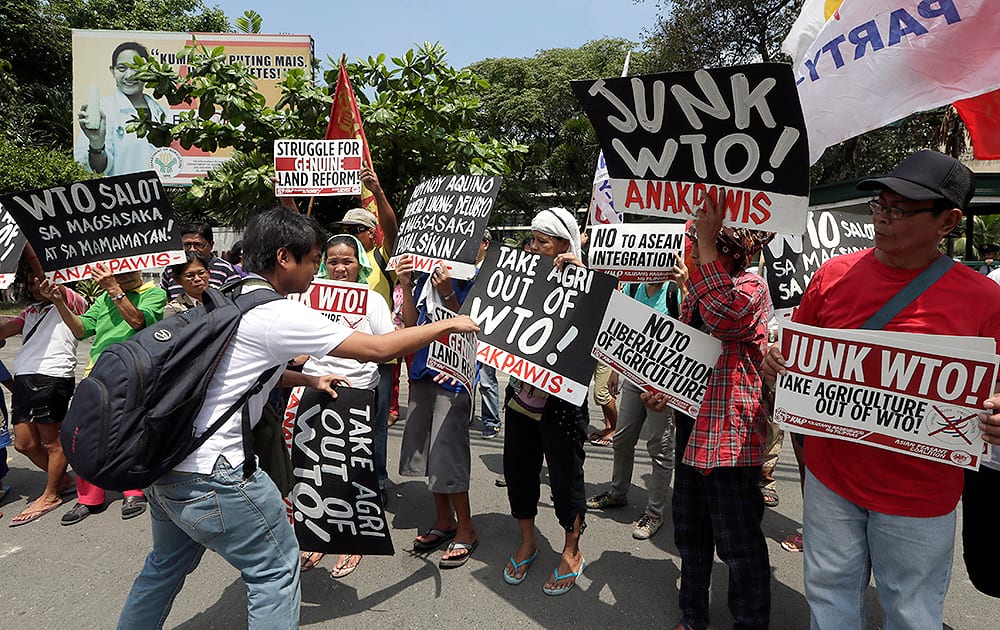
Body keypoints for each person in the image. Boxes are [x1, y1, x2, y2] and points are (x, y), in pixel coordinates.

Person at [115, 206, 479, 629]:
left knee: (162, 568)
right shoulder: (278, 313)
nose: (316, 272)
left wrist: (307, 377)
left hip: (167, 465)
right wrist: (447, 325)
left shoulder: (226, 296)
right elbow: (380, 350)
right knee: (275, 572)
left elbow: (246, 369)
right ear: (284, 258)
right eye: (312, 260)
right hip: (216, 475)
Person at [762, 150, 1000, 628]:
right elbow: (794, 358)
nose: (883, 217)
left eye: (900, 208)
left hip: (920, 497)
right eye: (880, 204)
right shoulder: (832, 276)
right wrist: (775, 364)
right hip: (831, 480)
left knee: (911, 614)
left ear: (948, 221)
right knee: (828, 599)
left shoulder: (986, 301)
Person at [646, 197, 774, 630]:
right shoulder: (693, 297)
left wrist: (704, 240)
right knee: (691, 534)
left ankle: (749, 622)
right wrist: (662, 389)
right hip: (692, 429)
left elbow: (726, 319)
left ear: (726, 251)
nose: (687, 249)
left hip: (729, 440)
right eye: (689, 241)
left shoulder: (749, 289)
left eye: (697, 243)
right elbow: (686, 356)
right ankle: (692, 616)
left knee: (739, 545)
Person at [501, 207, 589, 596]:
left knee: (565, 478)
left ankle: (571, 550)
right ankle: (528, 540)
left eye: (543, 241)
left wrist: (581, 278)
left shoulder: (588, 284)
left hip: (563, 407)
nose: (533, 247)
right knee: (518, 472)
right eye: (531, 240)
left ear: (565, 245)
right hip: (521, 399)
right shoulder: (517, 281)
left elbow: (602, 330)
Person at [296, 233, 395, 579]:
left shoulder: (372, 300)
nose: (340, 268)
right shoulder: (308, 296)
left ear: (360, 264)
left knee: (353, 469)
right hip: (314, 389)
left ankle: (353, 543)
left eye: (347, 261)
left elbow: (386, 346)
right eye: (333, 261)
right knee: (314, 469)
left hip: (356, 393)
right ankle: (318, 538)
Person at [46, 264, 167, 525]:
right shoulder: (102, 298)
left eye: (127, 270)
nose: (122, 276)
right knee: (85, 433)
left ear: (140, 269)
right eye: (117, 272)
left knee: (130, 432)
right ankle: (89, 497)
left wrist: (114, 288)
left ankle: (133, 491)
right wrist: (59, 302)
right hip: (97, 372)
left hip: (133, 372)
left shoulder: (153, 293)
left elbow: (138, 321)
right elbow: (81, 330)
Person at [586, 268, 686, 541]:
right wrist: (617, 369)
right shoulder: (631, 289)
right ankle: (618, 493)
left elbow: (691, 332)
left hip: (662, 388)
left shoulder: (675, 292)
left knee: (660, 447)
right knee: (622, 438)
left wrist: (684, 283)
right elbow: (623, 332)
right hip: (633, 379)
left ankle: (655, 512)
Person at [397, 254, 479, 569]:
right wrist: (405, 285)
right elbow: (409, 325)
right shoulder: (421, 280)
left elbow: (471, 327)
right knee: (428, 452)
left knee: (448, 453)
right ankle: (444, 519)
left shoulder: (470, 277)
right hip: (423, 373)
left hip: (453, 376)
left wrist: (447, 293)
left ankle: (466, 528)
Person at [2, 268, 87, 526]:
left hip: (52, 375)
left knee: (52, 442)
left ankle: (51, 495)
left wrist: (27, 236)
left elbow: (46, 275)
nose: (35, 286)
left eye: (39, 281)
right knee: (23, 444)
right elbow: (6, 329)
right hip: (25, 377)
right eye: (31, 283)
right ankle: (63, 480)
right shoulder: (31, 311)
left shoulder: (72, 300)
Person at [74, 41, 168, 176]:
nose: (129, 75)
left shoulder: (162, 112)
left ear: (148, 71)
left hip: (160, 194)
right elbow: (94, 169)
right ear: (112, 71)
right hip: (119, 195)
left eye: (136, 68)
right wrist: (96, 144)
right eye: (122, 68)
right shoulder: (102, 111)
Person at [160, 223, 241, 299]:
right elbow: (165, 299)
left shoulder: (226, 269)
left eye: (198, 245)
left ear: (211, 245)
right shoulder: (171, 269)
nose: (192, 249)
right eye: (187, 244)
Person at [475, 230, 501, 439]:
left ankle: (491, 421)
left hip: (489, 333)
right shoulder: (462, 268)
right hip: (466, 332)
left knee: (486, 380)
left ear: (485, 244)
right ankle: (463, 416)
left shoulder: (495, 270)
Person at [162, 252, 210, 317]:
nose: (197, 279)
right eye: (190, 276)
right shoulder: (173, 310)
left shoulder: (223, 296)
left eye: (201, 273)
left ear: (208, 273)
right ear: (177, 279)